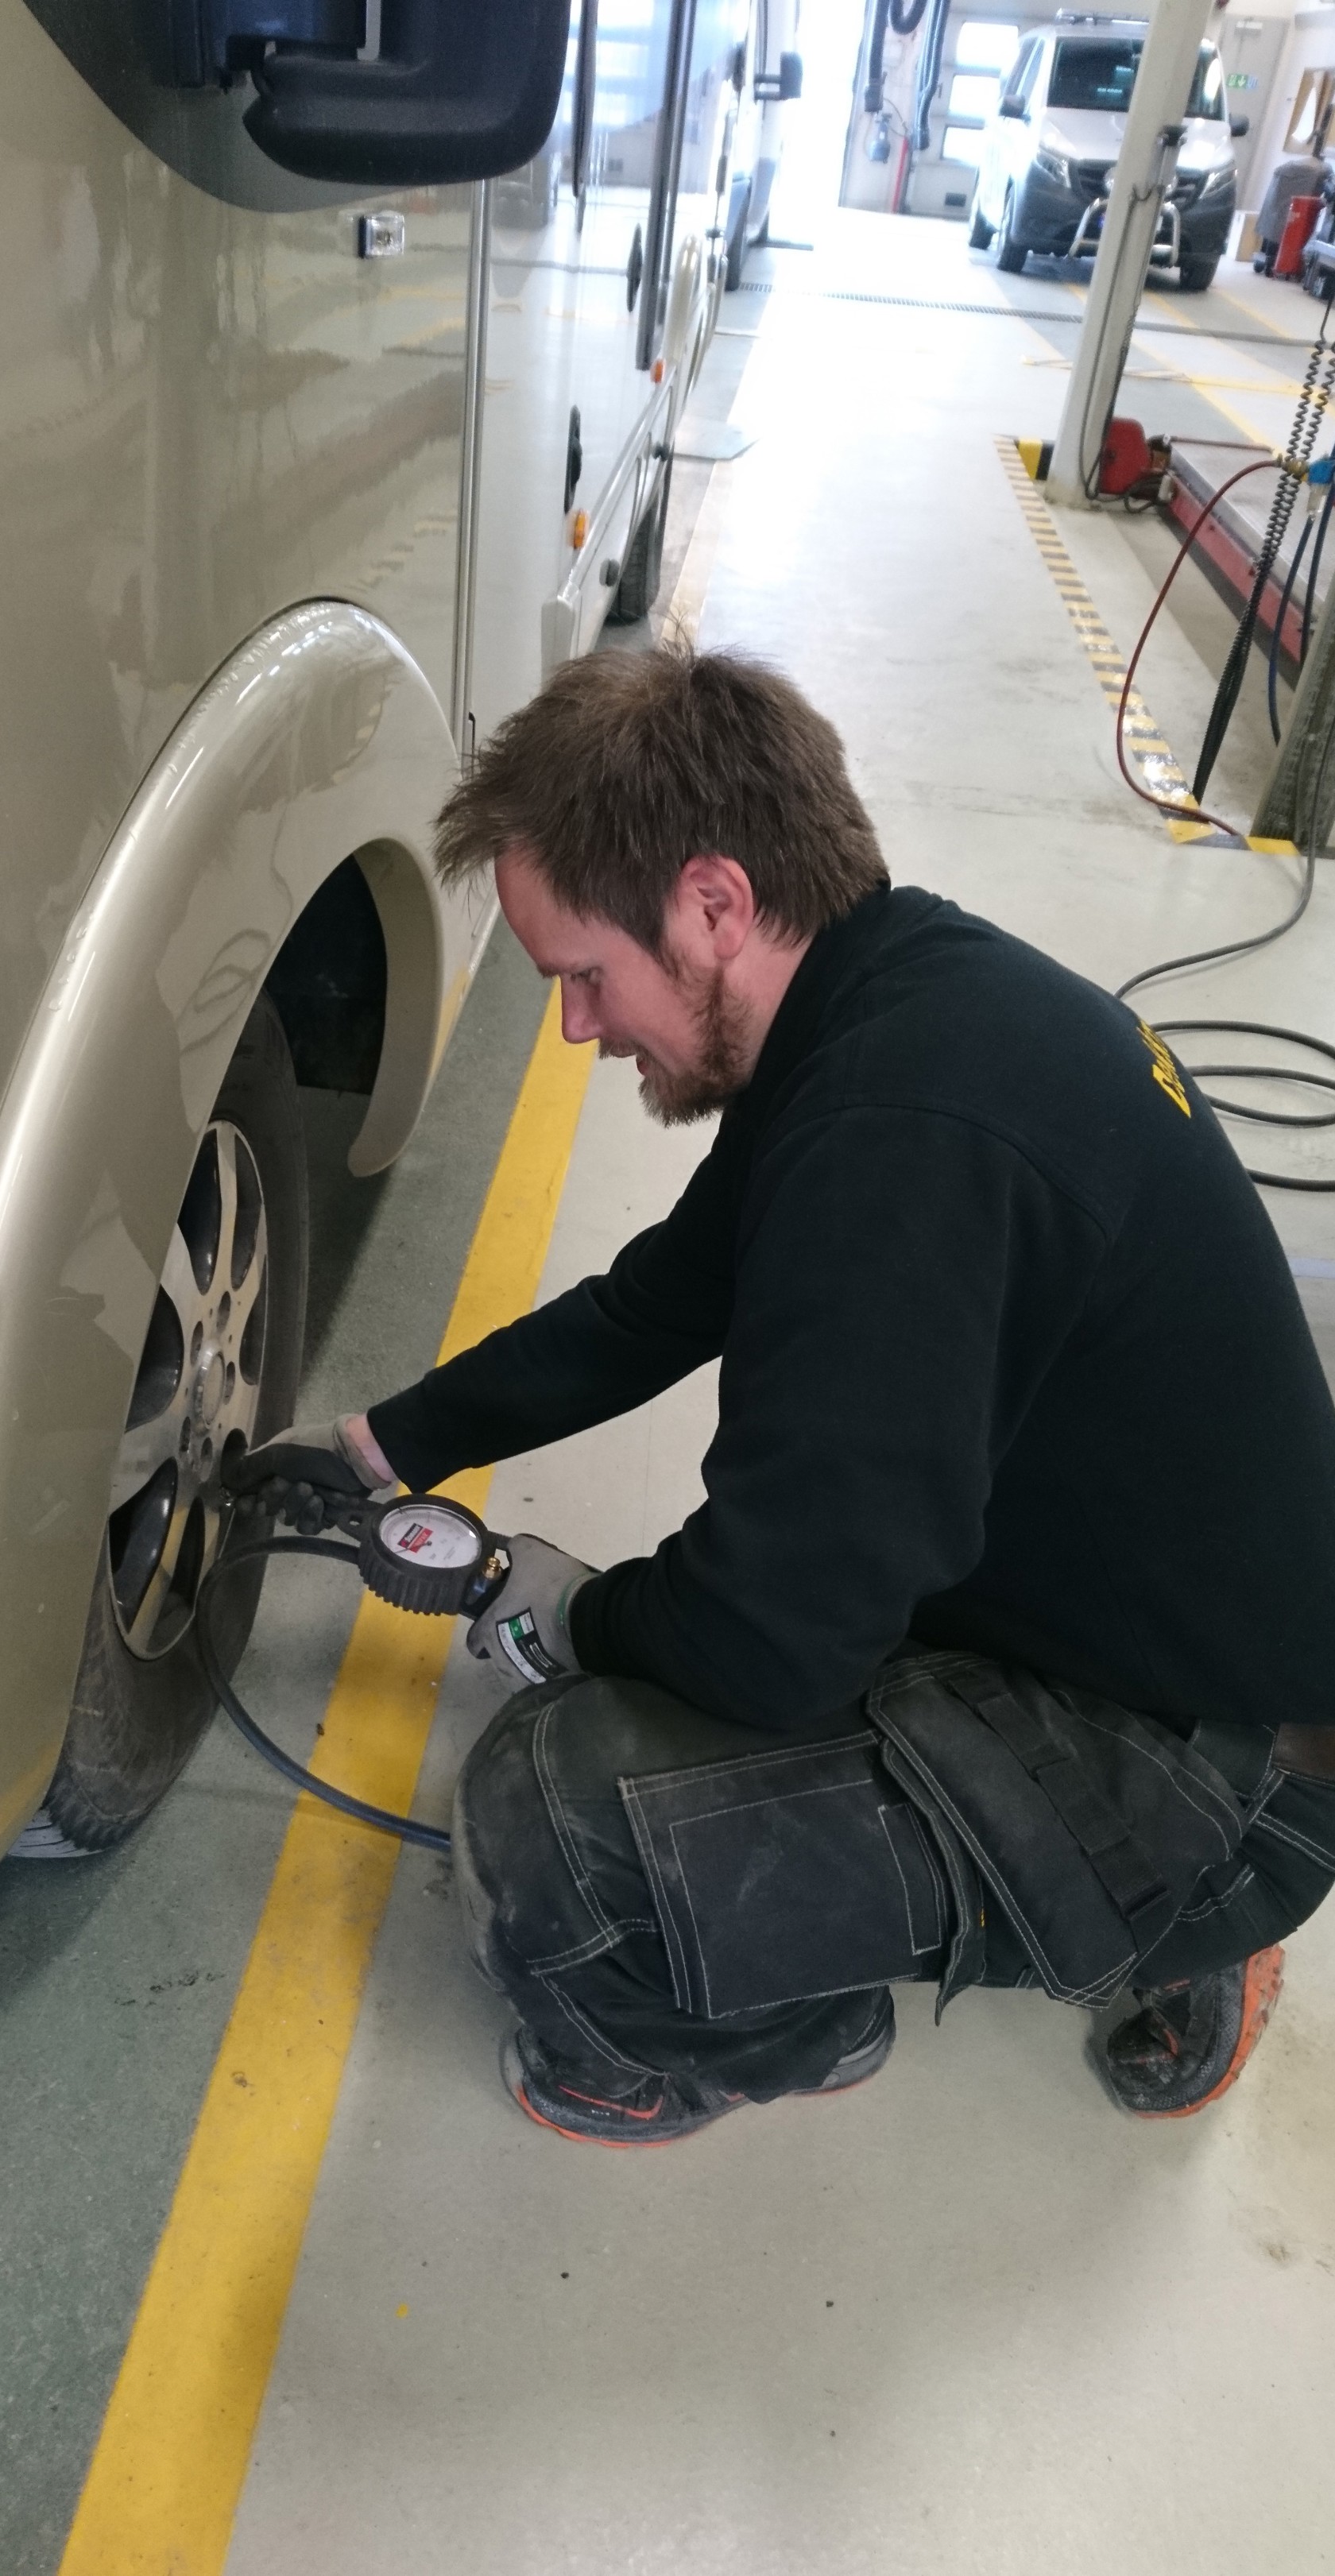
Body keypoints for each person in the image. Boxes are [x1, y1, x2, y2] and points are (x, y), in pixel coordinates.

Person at [233, 644, 1335, 2147]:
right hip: (1128, 1609)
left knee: (559, 1819)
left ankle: (850, 2007)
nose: (575, 1027)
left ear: (713, 902)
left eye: (583, 976)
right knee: (694, 1670)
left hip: (1230, 1767)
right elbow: (652, 1307)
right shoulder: (888, 996)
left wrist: (574, 1615)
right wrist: (379, 1446)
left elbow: (772, 1633)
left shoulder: (896, 1145)